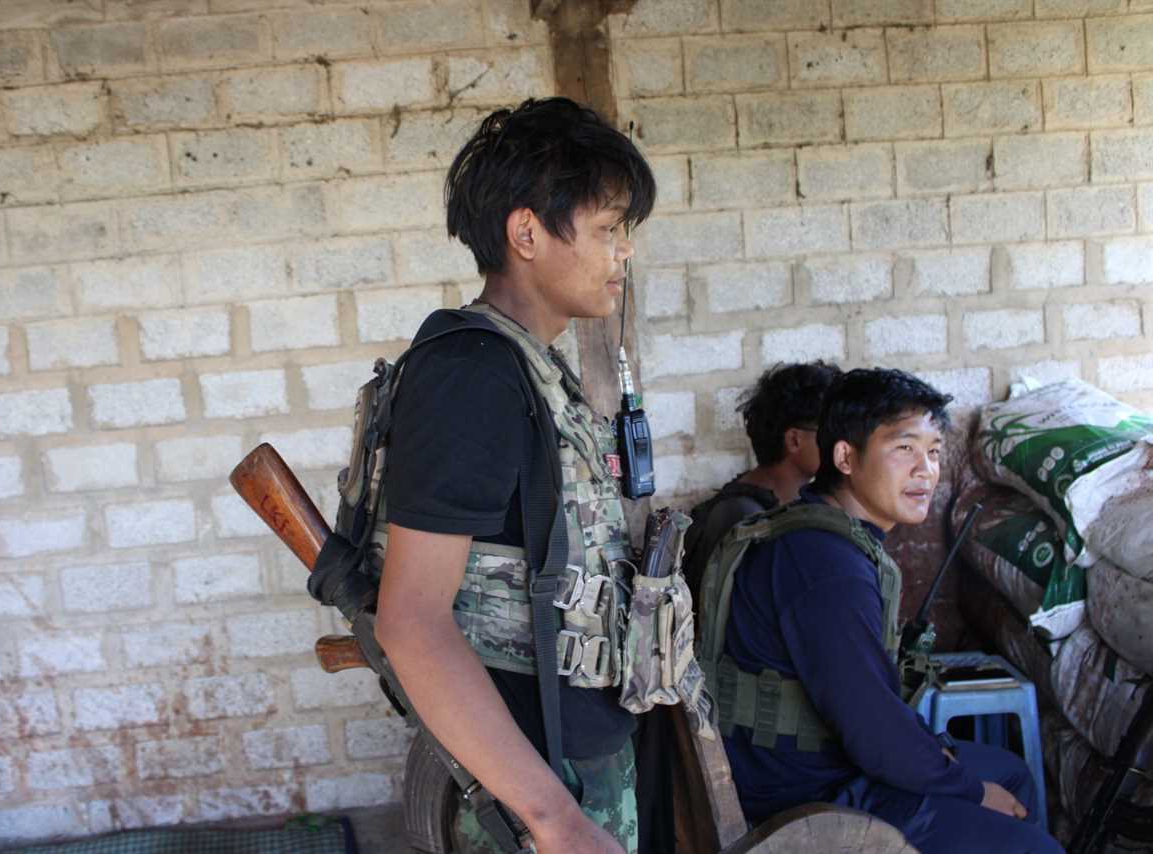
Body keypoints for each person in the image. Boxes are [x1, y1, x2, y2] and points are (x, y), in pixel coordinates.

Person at [373, 98, 656, 854]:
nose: (624, 252)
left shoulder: (528, 367)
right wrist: (554, 819)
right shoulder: (472, 375)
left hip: (565, 767)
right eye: (608, 229)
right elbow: (411, 622)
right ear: (526, 233)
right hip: (528, 796)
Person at [699, 368, 1063, 854]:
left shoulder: (821, 533)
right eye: (904, 448)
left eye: (934, 451)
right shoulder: (826, 565)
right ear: (846, 457)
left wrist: (942, 761)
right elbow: (871, 731)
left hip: (811, 766)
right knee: (1034, 846)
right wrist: (971, 790)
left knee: (1011, 774)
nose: (925, 470)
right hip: (808, 795)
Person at [681, 361, 841, 596]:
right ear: (794, 440)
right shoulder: (743, 519)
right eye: (832, 432)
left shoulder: (781, 505)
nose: (843, 444)